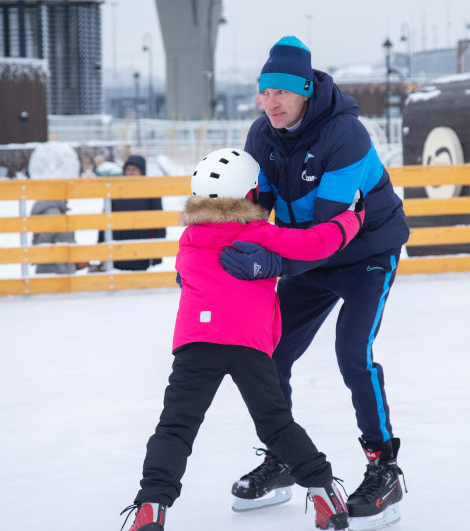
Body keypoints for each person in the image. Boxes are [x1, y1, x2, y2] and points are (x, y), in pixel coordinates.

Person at [219, 36, 410, 531]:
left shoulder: (346, 134)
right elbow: (255, 213)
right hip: (309, 254)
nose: (271, 103)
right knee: (271, 352)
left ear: (305, 90)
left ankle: (383, 469)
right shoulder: (261, 135)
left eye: (282, 93)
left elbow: (329, 235)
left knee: (353, 353)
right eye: (265, 93)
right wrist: (219, 256)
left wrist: (268, 263)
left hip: (365, 250)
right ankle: (282, 457)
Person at [120, 148, 365, 531]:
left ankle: (152, 506)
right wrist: (353, 217)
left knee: (175, 427)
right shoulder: (258, 233)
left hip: (195, 343)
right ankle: (325, 495)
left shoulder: (188, 240)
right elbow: (317, 243)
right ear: (251, 195)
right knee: (276, 425)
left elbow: (186, 274)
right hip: (247, 346)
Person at [27, 141, 89, 274]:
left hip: (61, 272)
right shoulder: (52, 213)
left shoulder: (57, 210)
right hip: (54, 276)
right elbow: (43, 245)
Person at [97, 154, 167, 271]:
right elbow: (104, 220)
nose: (130, 173)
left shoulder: (151, 191)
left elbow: (159, 222)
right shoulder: (115, 190)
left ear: (142, 172)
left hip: (141, 251)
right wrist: (101, 247)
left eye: (134, 170)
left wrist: (157, 253)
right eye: (128, 169)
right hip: (117, 250)